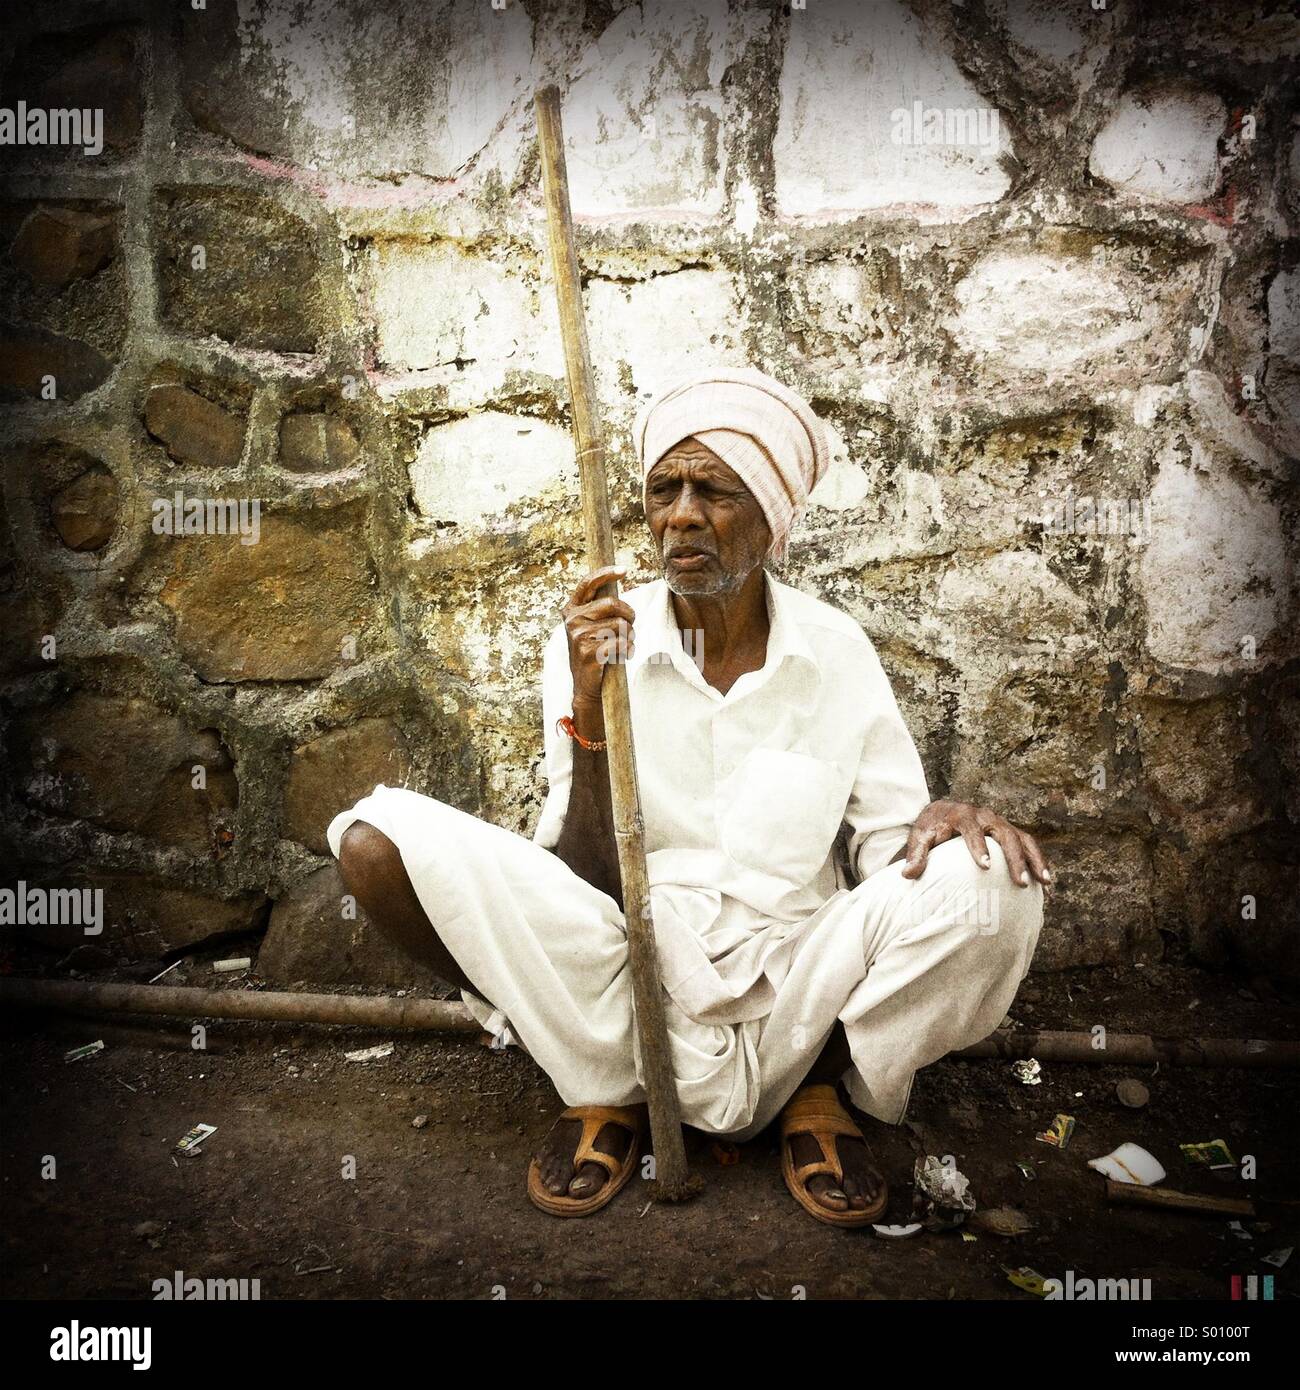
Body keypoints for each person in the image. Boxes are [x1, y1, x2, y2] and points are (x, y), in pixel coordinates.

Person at [329, 367, 1048, 1225]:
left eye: (715, 490)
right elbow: (585, 876)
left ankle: (821, 1090)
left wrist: (941, 824)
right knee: (375, 844)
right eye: (664, 489)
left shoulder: (836, 650)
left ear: (773, 521)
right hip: (627, 966)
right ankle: (601, 1082)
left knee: (992, 879)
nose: (682, 515)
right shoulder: (596, 640)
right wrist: (592, 716)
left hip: (798, 987)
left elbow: (887, 853)